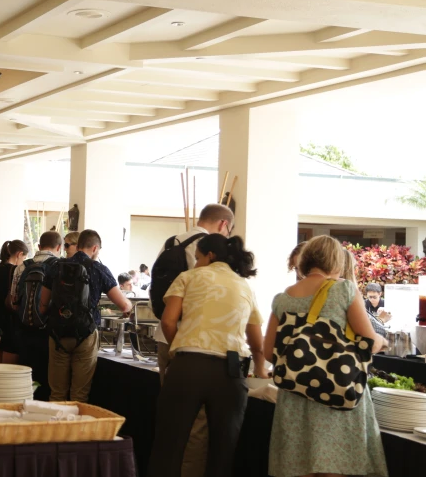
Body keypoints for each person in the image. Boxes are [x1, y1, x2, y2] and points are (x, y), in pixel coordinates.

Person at [263, 235, 388, 477]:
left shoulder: (283, 299)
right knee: (335, 467)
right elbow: (369, 341)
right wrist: (382, 341)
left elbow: (269, 352)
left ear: (305, 261)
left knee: (299, 466)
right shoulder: (344, 290)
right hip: (337, 394)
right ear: (336, 262)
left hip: (295, 398)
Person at [147, 234, 267, 477]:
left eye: (198, 257)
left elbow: (168, 322)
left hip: (189, 366)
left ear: (209, 256)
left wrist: (178, 348)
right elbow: (257, 344)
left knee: (169, 446)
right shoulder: (245, 286)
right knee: (223, 451)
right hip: (231, 373)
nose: (196, 262)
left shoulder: (188, 277)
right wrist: (262, 370)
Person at [149, 203, 234, 477]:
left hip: (166, 337)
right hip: (192, 344)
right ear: (223, 225)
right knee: (196, 423)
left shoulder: (170, 243)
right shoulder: (206, 254)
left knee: (170, 417)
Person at [40, 229, 132, 402]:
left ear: (79, 244)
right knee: (79, 393)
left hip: (57, 334)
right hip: (86, 335)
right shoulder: (99, 269)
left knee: (57, 392)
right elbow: (123, 304)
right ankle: (75, 427)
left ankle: (56, 428)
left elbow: (43, 305)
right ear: (95, 248)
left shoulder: (55, 267)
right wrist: (130, 307)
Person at [10, 231, 62, 401]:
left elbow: (14, 301)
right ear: (59, 247)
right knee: (46, 374)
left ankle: (23, 404)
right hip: (48, 330)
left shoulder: (22, 266)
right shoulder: (59, 266)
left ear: (38, 247)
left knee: (25, 373)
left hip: (24, 328)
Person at [0, 240, 29, 364]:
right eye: (24, 257)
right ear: (19, 254)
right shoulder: (17, 272)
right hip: (10, 325)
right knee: (9, 371)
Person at [343, 250, 388, 337]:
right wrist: (382, 320)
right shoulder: (346, 290)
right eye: (354, 268)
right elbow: (373, 330)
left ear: (380, 294)